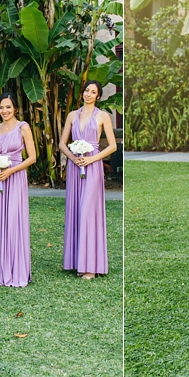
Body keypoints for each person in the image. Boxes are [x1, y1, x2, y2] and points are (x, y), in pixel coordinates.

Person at [58, 81, 117, 280]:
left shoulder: (102, 116)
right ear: (82, 93)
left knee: (88, 212)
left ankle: (91, 265)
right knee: (76, 210)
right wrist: (73, 158)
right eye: (86, 91)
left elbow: (112, 146)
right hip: (76, 167)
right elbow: (62, 144)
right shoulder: (72, 116)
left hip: (93, 167)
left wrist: (92, 158)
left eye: (93, 92)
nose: (89, 94)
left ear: (98, 96)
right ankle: (78, 262)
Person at [0, 93, 36, 287]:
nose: (5, 111)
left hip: (16, 176)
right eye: (1, 107)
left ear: (15, 108)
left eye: (8, 107)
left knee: (14, 220)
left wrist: (10, 171)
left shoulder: (23, 127)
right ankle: (1, 269)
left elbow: (32, 157)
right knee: (0, 220)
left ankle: (17, 271)